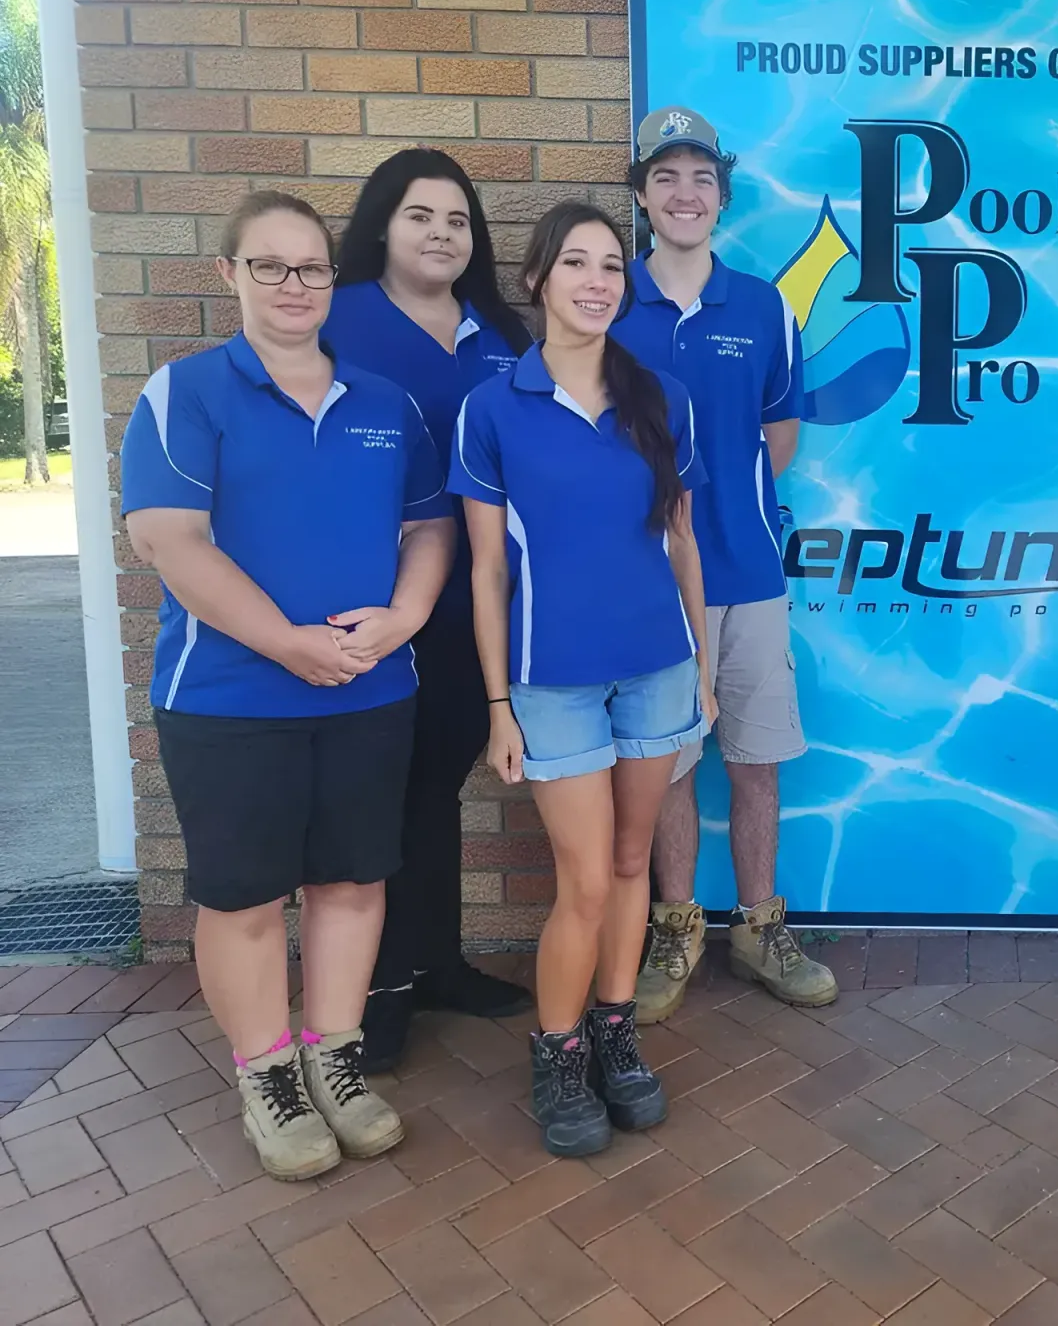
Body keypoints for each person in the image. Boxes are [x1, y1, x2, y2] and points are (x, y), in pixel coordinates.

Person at [121, 192, 456, 1180]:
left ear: (333, 282)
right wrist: (285, 643)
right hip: (228, 698)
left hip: (367, 690)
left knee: (353, 882)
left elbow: (433, 526)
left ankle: (334, 1061)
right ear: (230, 276)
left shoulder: (384, 404)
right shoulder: (185, 394)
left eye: (311, 268)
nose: (293, 286)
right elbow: (167, 540)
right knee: (246, 899)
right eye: (269, 266)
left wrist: (403, 619)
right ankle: (267, 1077)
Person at [448, 201, 714, 1158]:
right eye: (576, 264)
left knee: (635, 864)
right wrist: (496, 706)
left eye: (613, 268)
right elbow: (485, 573)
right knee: (587, 884)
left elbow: (683, 540)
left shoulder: (662, 397)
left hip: (658, 669)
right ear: (537, 280)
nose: (598, 282)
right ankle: (556, 1054)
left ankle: (614, 1030)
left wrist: (705, 671)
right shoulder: (493, 407)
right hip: (551, 683)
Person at [605, 105, 834, 1022]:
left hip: (748, 572)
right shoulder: (608, 299)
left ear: (722, 196)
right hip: (643, 587)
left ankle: (759, 927)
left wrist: (724, 504)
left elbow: (782, 427)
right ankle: (674, 926)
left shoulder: (765, 305)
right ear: (643, 196)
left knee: (755, 760)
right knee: (664, 766)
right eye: (666, 177)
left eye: (701, 177)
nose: (685, 192)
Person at [326, 148, 536, 1071]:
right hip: (366, 608)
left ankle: (437, 963)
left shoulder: (497, 330)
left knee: (436, 789)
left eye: (458, 220)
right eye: (421, 216)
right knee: (377, 800)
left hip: (469, 608)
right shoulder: (336, 319)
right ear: (381, 225)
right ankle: (380, 994)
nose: (442, 234)